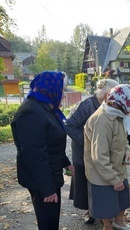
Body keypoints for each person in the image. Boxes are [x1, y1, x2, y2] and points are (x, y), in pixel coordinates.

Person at [10, 71, 74, 230]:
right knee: (48, 224)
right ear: (51, 89)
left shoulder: (45, 107)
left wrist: (66, 163)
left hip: (50, 175)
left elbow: (51, 142)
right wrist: (47, 189)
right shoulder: (32, 112)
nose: (64, 95)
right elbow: (34, 155)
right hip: (43, 181)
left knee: (51, 222)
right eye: (63, 90)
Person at [65, 79, 119, 223]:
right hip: (84, 154)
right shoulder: (86, 105)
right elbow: (69, 126)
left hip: (103, 155)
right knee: (88, 186)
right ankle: (91, 212)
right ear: (107, 94)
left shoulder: (111, 106)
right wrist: (89, 143)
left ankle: (104, 213)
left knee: (102, 184)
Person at [84, 84, 130, 230]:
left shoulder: (119, 115)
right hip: (103, 173)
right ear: (122, 100)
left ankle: (119, 222)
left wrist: (127, 151)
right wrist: (113, 179)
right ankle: (107, 226)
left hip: (118, 167)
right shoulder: (102, 120)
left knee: (122, 198)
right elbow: (99, 156)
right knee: (106, 203)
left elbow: (124, 139)